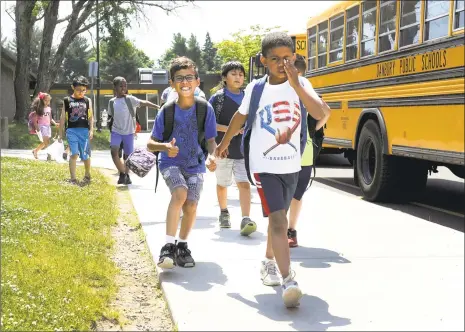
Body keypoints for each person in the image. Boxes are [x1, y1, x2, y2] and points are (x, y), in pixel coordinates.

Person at [215, 32, 331, 308]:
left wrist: (297, 85)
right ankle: (289, 280)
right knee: (279, 220)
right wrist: (224, 142)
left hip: (292, 164)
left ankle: (268, 261)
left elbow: (320, 113)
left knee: (278, 219)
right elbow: (240, 116)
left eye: (287, 58)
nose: (282, 64)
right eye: (275, 59)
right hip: (263, 165)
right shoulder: (256, 89)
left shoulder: (301, 83)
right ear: (263, 61)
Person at [147, 56, 217, 269]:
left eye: (189, 77)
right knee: (180, 194)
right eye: (179, 78)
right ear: (172, 83)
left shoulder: (205, 109)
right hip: (170, 163)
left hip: (195, 163)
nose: (185, 82)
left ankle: (182, 246)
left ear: (197, 81)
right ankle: (167, 247)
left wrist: (212, 156)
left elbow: (212, 140)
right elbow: (150, 144)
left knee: (192, 205)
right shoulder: (166, 111)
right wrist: (165, 147)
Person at [288, 55, 331, 247]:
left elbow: (325, 110)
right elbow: (326, 112)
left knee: (291, 193)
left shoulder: (301, 86)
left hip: (294, 148)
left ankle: (286, 230)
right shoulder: (305, 86)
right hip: (302, 148)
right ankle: (290, 230)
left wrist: (313, 129)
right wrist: (315, 129)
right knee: (295, 193)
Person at [208, 61, 255, 235]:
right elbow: (209, 124)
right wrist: (231, 131)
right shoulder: (217, 98)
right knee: (222, 184)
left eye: (241, 74)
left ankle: (246, 218)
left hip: (244, 150)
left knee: (244, 184)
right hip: (223, 149)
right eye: (234, 74)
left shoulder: (249, 97)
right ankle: (224, 212)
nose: (238, 77)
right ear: (225, 78)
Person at [108, 76, 159, 185]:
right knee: (114, 152)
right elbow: (111, 116)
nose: (123, 87)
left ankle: (126, 175)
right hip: (116, 131)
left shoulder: (130, 99)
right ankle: (122, 173)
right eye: (121, 85)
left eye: (125, 85)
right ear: (115, 87)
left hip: (129, 132)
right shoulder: (111, 102)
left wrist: (158, 107)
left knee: (128, 156)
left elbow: (144, 102)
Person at [58, 76, 93, 185]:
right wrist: (60, 133)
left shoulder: (87, 100)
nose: (81, 92)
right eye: (78, 90)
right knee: (74, 154)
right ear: (73, 87)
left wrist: (91, 130)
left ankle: (87, 174)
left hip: (84, 131)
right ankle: (73, 178)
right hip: (71, 131)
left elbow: (91, 117)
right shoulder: (67, 100)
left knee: (86, 155)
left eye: (83, 90)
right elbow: (63, 117)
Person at [31, 92, 58, 159]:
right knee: (46, 142)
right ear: (41, 100)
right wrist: (37, 129)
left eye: (49, 100)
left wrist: (55, 123)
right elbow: (35, 121)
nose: (47, 102)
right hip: (41, 127)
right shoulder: (39, 109)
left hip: (48, 126)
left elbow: (50, 118)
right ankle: (49, 155)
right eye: (45, 100)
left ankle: (35, 151)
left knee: (46, 142)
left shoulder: (49, 108)